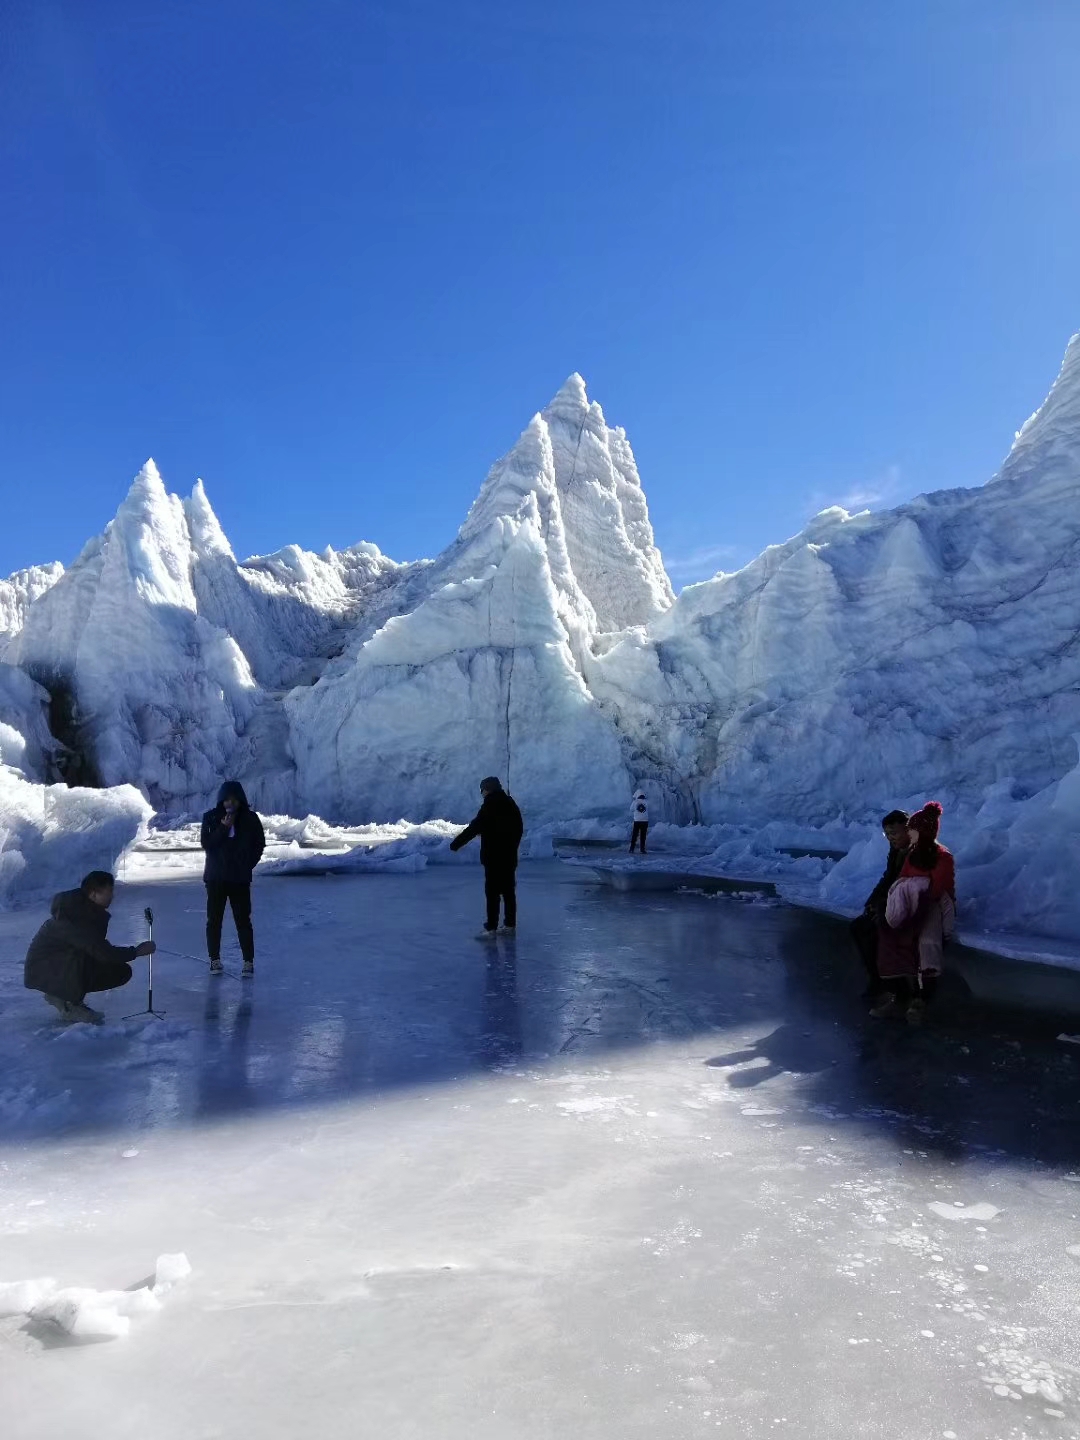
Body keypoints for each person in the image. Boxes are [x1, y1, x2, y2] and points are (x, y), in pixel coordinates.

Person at [24, 870, 155, 1024]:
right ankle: (66, 1002)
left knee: (119, 971)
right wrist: (137, 951)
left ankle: (64, 995)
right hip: (46, 969)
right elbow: (102, 951)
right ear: (93, 894)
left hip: (58, 965)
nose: (112, 896)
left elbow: (96, 948)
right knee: (105, 964)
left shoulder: (84, 909)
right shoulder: (74, 917)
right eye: (109, 892)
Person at [872, 801, 956, 1024]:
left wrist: (918, 912)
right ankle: (899, 996)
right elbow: (902, 879)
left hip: (931, 906)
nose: (909, 833)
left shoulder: (942, 856)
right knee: (891, 939)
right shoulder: (911, 855)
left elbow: (938, 890)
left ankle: (921, 1001)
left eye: (912, 829)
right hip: (910, 905)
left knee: (927, 942)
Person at [200, 779, 266, 976]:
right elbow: (207, 844)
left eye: (234, 800)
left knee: (243, 921)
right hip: (216, 878)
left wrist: (248, 864)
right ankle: (214, 960)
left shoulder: (251, 819)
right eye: (227, 800)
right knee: (214, 920)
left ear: (240, 800)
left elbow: (259, 844)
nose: (230, 804)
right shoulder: (211, 817)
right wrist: (223, 828)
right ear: (221, 800)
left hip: (239, 878)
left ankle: (248, 961)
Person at [449, 776, 524, 939]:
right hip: (509, 856)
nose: (481, 793)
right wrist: (512, 847)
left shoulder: (490, 805)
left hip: (494, 857)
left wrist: (456, 844)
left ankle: (491, 928)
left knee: (492, 893)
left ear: (487, 789)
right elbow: (519, 828)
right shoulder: (511, 804)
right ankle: (510, 925)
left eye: (482, 790)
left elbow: (474, 828)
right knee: (509, 892)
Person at [850, 809, 910, 996]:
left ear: (908, 830)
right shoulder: (896, 850)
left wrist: (883, 905)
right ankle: (876, 978)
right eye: (888, 834)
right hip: (891, 903)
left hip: (911, 906)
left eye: (895, 833)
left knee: (876, 931)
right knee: (859, 926)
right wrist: (873, 901)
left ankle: (894, 987)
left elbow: (909, 885)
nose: (891, 838)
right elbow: (889, 877)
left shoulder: (917, 852)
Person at [629, 789, 649, 854]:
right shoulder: (646, 802)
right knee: (643, 836)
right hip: (645, 821)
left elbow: (631, 809)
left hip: (637, 820)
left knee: (635, 835)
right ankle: (642, 849)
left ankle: (632, 849)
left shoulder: (635, 802)